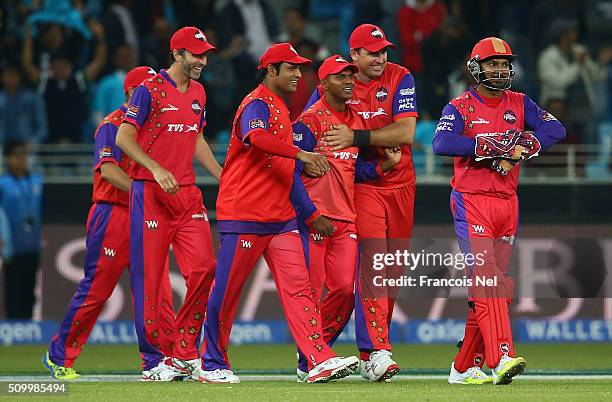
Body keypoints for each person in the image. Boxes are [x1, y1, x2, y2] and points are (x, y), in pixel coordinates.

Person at [199, 43, 359, 384]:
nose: (299, 75)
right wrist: (300, 154)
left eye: (300, 69)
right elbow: (256, 137)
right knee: (227, 290)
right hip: (245, 213)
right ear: (271, 71)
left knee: (299, 289)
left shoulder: (281, 107)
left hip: (280, 216)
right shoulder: (256, 102)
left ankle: (317, 359)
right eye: (292, 68)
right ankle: (212, 363)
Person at [432, 37, 566, 385]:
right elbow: (442, 143)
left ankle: (463, 367)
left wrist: (524, 146)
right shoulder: (459, 106)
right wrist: (493, 147)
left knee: (496, 286)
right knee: (489, 279)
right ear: (476, 68)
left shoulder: (520, 103)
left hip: (508, 202)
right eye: (493, 63)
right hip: (471, 199)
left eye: (505, 63)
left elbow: (555, 129)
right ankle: (501, 356)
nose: (501, 69)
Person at [41, 66, 176, 381]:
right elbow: (108, 171)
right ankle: (59, 356)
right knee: (97, 289)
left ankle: (160, 360)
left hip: (144, 214)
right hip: (113, 213)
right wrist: (147, 192)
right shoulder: (113, 125)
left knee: (154, 289)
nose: (153, 98)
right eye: (147, 92)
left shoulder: (154, 128)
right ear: (130, 94)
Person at [116, 26, 222, 381]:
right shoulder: (148, 91)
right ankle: (153, 361)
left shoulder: (200, 93)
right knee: (149, 282)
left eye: (205, 55)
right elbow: (124, 137)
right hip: (150, 193)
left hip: (187, 194)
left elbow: (196, 139)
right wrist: (155, 167)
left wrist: (223, 175)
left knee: (206, 267)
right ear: (177, 54)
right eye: (196, 55)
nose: (202, 61)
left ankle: (183, 351)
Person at [315, 24, 419, 381]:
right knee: (374, 266)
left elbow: (406, 132)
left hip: (403, 183)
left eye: (383, 51)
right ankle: (376, 351)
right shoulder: (341, 84)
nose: (380, 58)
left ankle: (317, 347)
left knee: (392, 272)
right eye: (372, 52)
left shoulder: (401, 76)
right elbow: (319, 129)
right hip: (366, 184)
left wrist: (356, 136)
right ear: (354, 54)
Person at [293, 54, 402, 381]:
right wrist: (311, 215)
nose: (350, 82)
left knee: (342, 290)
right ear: (323, 84)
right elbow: (291, 175)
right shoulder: (309, 122)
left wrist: (382, 167)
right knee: (311, 293)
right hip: (315, 220)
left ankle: (314, 353)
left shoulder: (356, 122)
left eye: (351, 77)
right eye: (342, 77)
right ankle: (311, 360)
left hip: (345, 220)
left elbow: (352, 170)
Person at [0, 140, 43, 319]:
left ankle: (27, 331)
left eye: (24, 154)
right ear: (8, 158)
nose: (22, 159)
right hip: (12, 249)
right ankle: (14, 329)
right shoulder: (3, 184)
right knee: (13, 292)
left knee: (29, 293)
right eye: (17, 155)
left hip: (32, 247)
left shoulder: (37, 181)